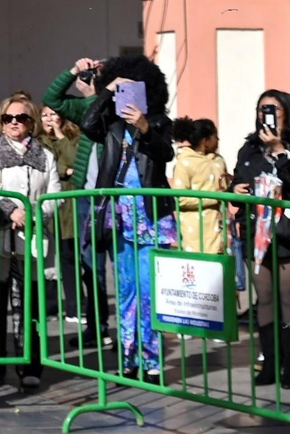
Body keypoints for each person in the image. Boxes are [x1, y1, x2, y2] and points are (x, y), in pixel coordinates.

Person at [80, 55, 175, 381]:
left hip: (152, 219)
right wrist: (108, 89)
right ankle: (129, 358)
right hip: (119, 221)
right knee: (127, 291)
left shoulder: (160, 122)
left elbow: (166, 153)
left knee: (150, 292)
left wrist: (145, 128)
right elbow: (87, 124)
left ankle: (152, 361)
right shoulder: (112, 125)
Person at [0, 93, 57, 389]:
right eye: (8, 118)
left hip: (29, 240)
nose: (14, 122)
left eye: (21, 118)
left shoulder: (45, 156)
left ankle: (30, 365)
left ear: (32, 122)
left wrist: (32, 212)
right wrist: (9, 210)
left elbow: (55, 196)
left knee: (28, 308)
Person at [233, 89, 290, 390]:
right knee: (265, 299)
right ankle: (269, 362)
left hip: (288, 233)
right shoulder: (249, 148)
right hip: (256, 232)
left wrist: (280, 149)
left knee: (289, 298)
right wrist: (235, 188)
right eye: (262, 109)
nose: (266, 115)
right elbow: (238, 178)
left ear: (285, 113)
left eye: (273, 109)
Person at [43, 59, 109, 339]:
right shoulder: (85, 106)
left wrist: (95, 95)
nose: (92, 78)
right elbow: (51, 99)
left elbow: (99, 119)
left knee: (121, 269)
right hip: (86, 197)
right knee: (90, 267)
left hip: (113, 197)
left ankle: (128, 336)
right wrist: (73, 71)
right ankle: (96, 327)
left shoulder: (118, 107)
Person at [38, 103, 83, 323]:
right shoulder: (38, 141)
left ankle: (76, 308)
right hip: (48, 203)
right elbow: (49, 169)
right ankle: (49, 308)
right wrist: (65, 170)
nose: (48, 119)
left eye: (53, 114)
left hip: (69, 207)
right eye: (44, 115)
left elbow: (76, 162)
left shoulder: (72, 138)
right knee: (47, 258)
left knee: (69, 258)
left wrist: (59, 135)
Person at [171, 118, 229, 255]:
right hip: (196, 233)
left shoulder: (218, 161)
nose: (218, 140)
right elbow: (181, 199)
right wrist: (213, 198)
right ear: (205, 141)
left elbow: (226, 187)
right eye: (215, 137)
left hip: (220, 230)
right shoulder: (184, 163)